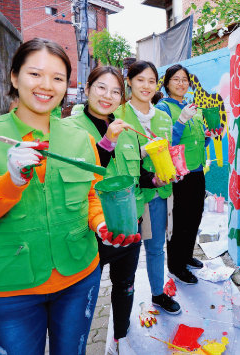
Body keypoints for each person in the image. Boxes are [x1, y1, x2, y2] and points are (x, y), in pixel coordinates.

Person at [0, 38, 135, 355]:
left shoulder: (80, 138)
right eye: (35, 74)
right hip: (10, 287)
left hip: (79, 278)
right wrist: (11, 181)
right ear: (14, 77)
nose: (47, 86)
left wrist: (101, 226)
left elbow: (90, 198)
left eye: (58, 78)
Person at [67, 65, 179, 353]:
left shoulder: (121, 123)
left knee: (125, 283)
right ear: (87, 87)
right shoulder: (70, 128)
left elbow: (132, 171)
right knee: (83, 293)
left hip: (129, 221)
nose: (108, 96)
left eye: (115, 91)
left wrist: (154, 179)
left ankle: (121, 336)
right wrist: (107, 143)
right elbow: (79, 178)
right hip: (90, 227)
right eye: (101, 88)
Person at [114, 61, 182, 314]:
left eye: (151, 81)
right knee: (126, 255)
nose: (146, 86)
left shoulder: (163, 118)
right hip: (129, 198)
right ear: (129, 81)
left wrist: (175, 169)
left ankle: (157, 294)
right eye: (140, 80)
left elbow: (170, 153)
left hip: (157, 195)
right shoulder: (118, 115)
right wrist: (140, 153)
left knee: (155, 249)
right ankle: (123, 306)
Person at [156, 64, 220, 284]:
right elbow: (165, 143)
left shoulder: (191, 107)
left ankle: (186, 255)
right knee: (179, 221)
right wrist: (181, 120)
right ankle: (175, 265)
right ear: (166, 84)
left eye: (185, 79)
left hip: (196, 171)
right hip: (178, 174)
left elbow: (197, 143)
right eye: (176, 79)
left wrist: (207, 136)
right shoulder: (163, 108)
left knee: (195, 216)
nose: (181, 83)